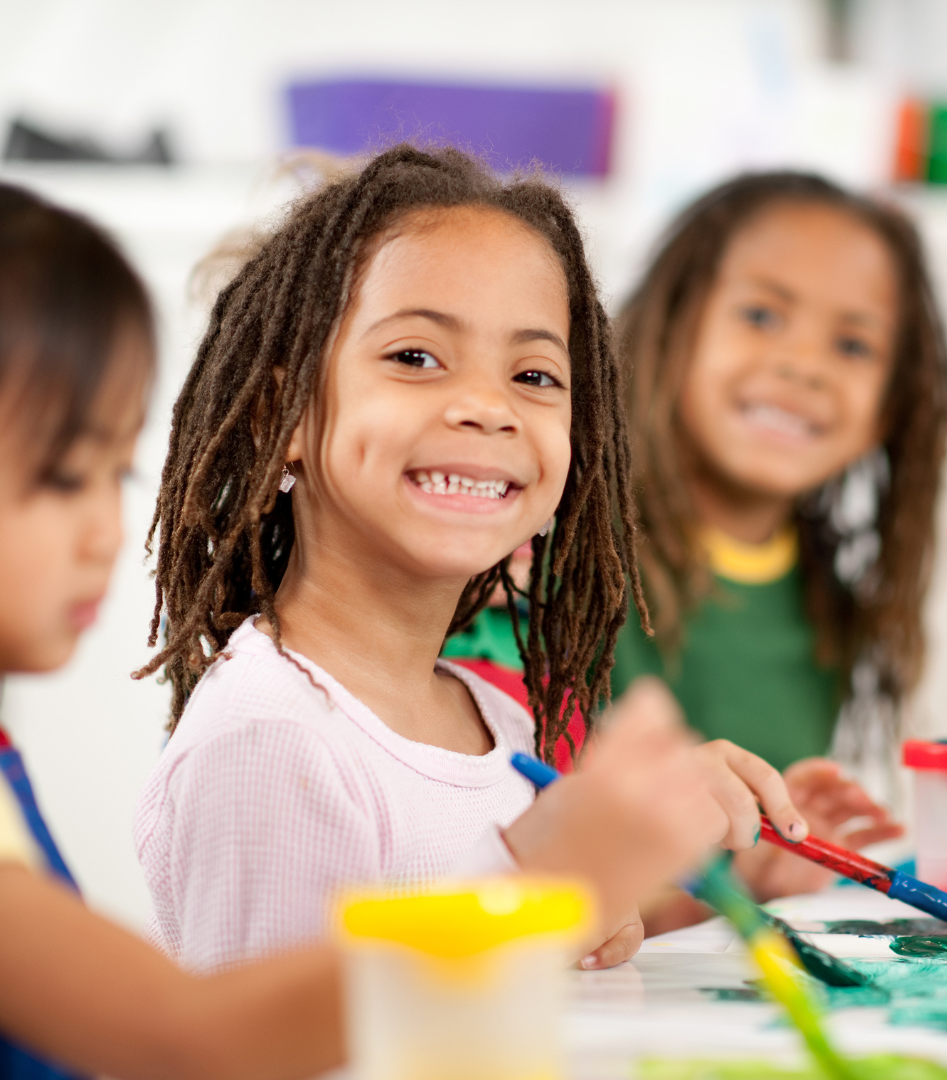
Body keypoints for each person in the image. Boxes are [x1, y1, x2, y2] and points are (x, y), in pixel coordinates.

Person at [0, 158, 725, 1079]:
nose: (100, 526)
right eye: (55, 474)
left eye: (110, 469)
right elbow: (191, 1039)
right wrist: (549, 883)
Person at [132, 145, 808, 977]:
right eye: (415, 357)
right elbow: (277, 1052)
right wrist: (544, 880)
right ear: (286, 415)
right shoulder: (272, 740)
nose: (488, 407)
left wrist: (620, 882)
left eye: (533, 373)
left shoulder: (496, 720)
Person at [614, 172, 947, 912]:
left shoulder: (828, 605)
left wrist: (760, 874)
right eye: (763, 315)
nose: (803, 365)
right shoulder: (557, 565)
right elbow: (536, 882)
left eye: (852, 344)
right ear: (673, 324)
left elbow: (706, 891)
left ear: (891, 408)